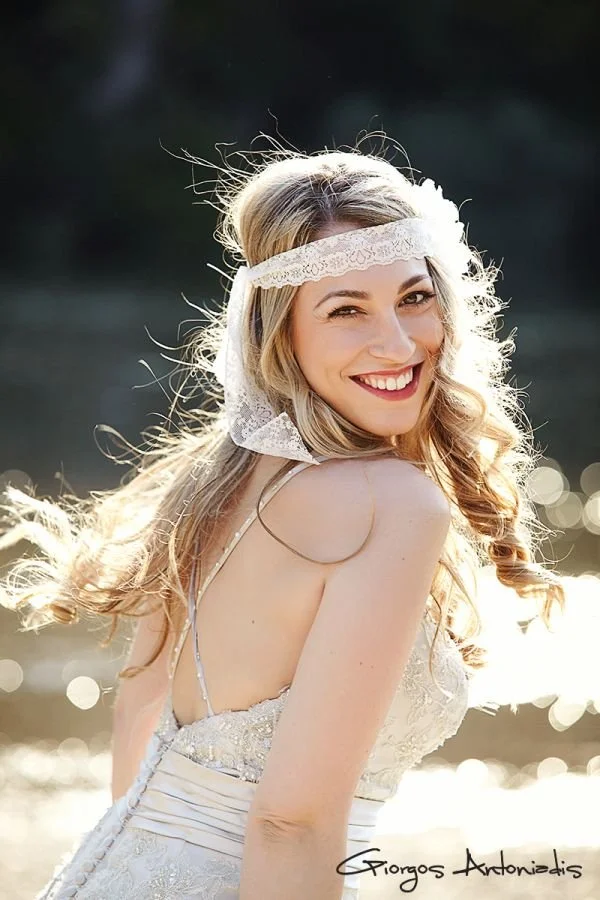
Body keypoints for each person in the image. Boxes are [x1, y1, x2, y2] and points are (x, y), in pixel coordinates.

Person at [1, 139, 565, 899]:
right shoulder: (392, 504)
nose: (398, 343)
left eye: (414, 297)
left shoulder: (212, 485)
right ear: (280, 335)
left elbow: (138, 716)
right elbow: (291, 824)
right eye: (346, 311)